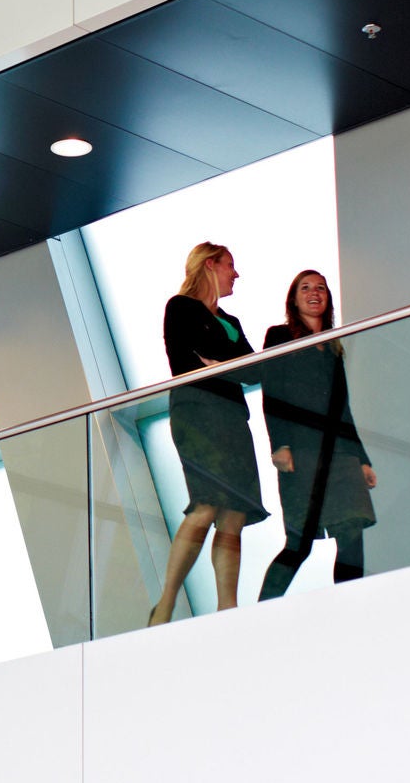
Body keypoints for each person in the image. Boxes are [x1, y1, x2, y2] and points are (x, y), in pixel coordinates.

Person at [149, 242, 268, 626]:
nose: (236, 274)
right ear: (210, 265)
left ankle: (227, 608)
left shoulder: (231, 320)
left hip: (233, 418)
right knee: (206, 503)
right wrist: (224, 361)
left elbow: (253, 370)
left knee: (233, 513)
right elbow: (188, 358)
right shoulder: (180, 307)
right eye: (230, 265)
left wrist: (219, 362)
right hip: (197, 414)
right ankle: (166, 602)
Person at [257, 271, 377, 599]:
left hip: (341, 455)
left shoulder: (334, 348)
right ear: (293, 299)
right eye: (305, 288)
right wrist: (279, 444)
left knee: (352, 534)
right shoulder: (279, 336)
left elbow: (344, 409)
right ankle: (260, 612)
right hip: (301, 451)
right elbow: (272, 393)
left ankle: (349, 605)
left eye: (320, 288)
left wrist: (362, 459)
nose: (314, 293)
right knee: (300, 543)